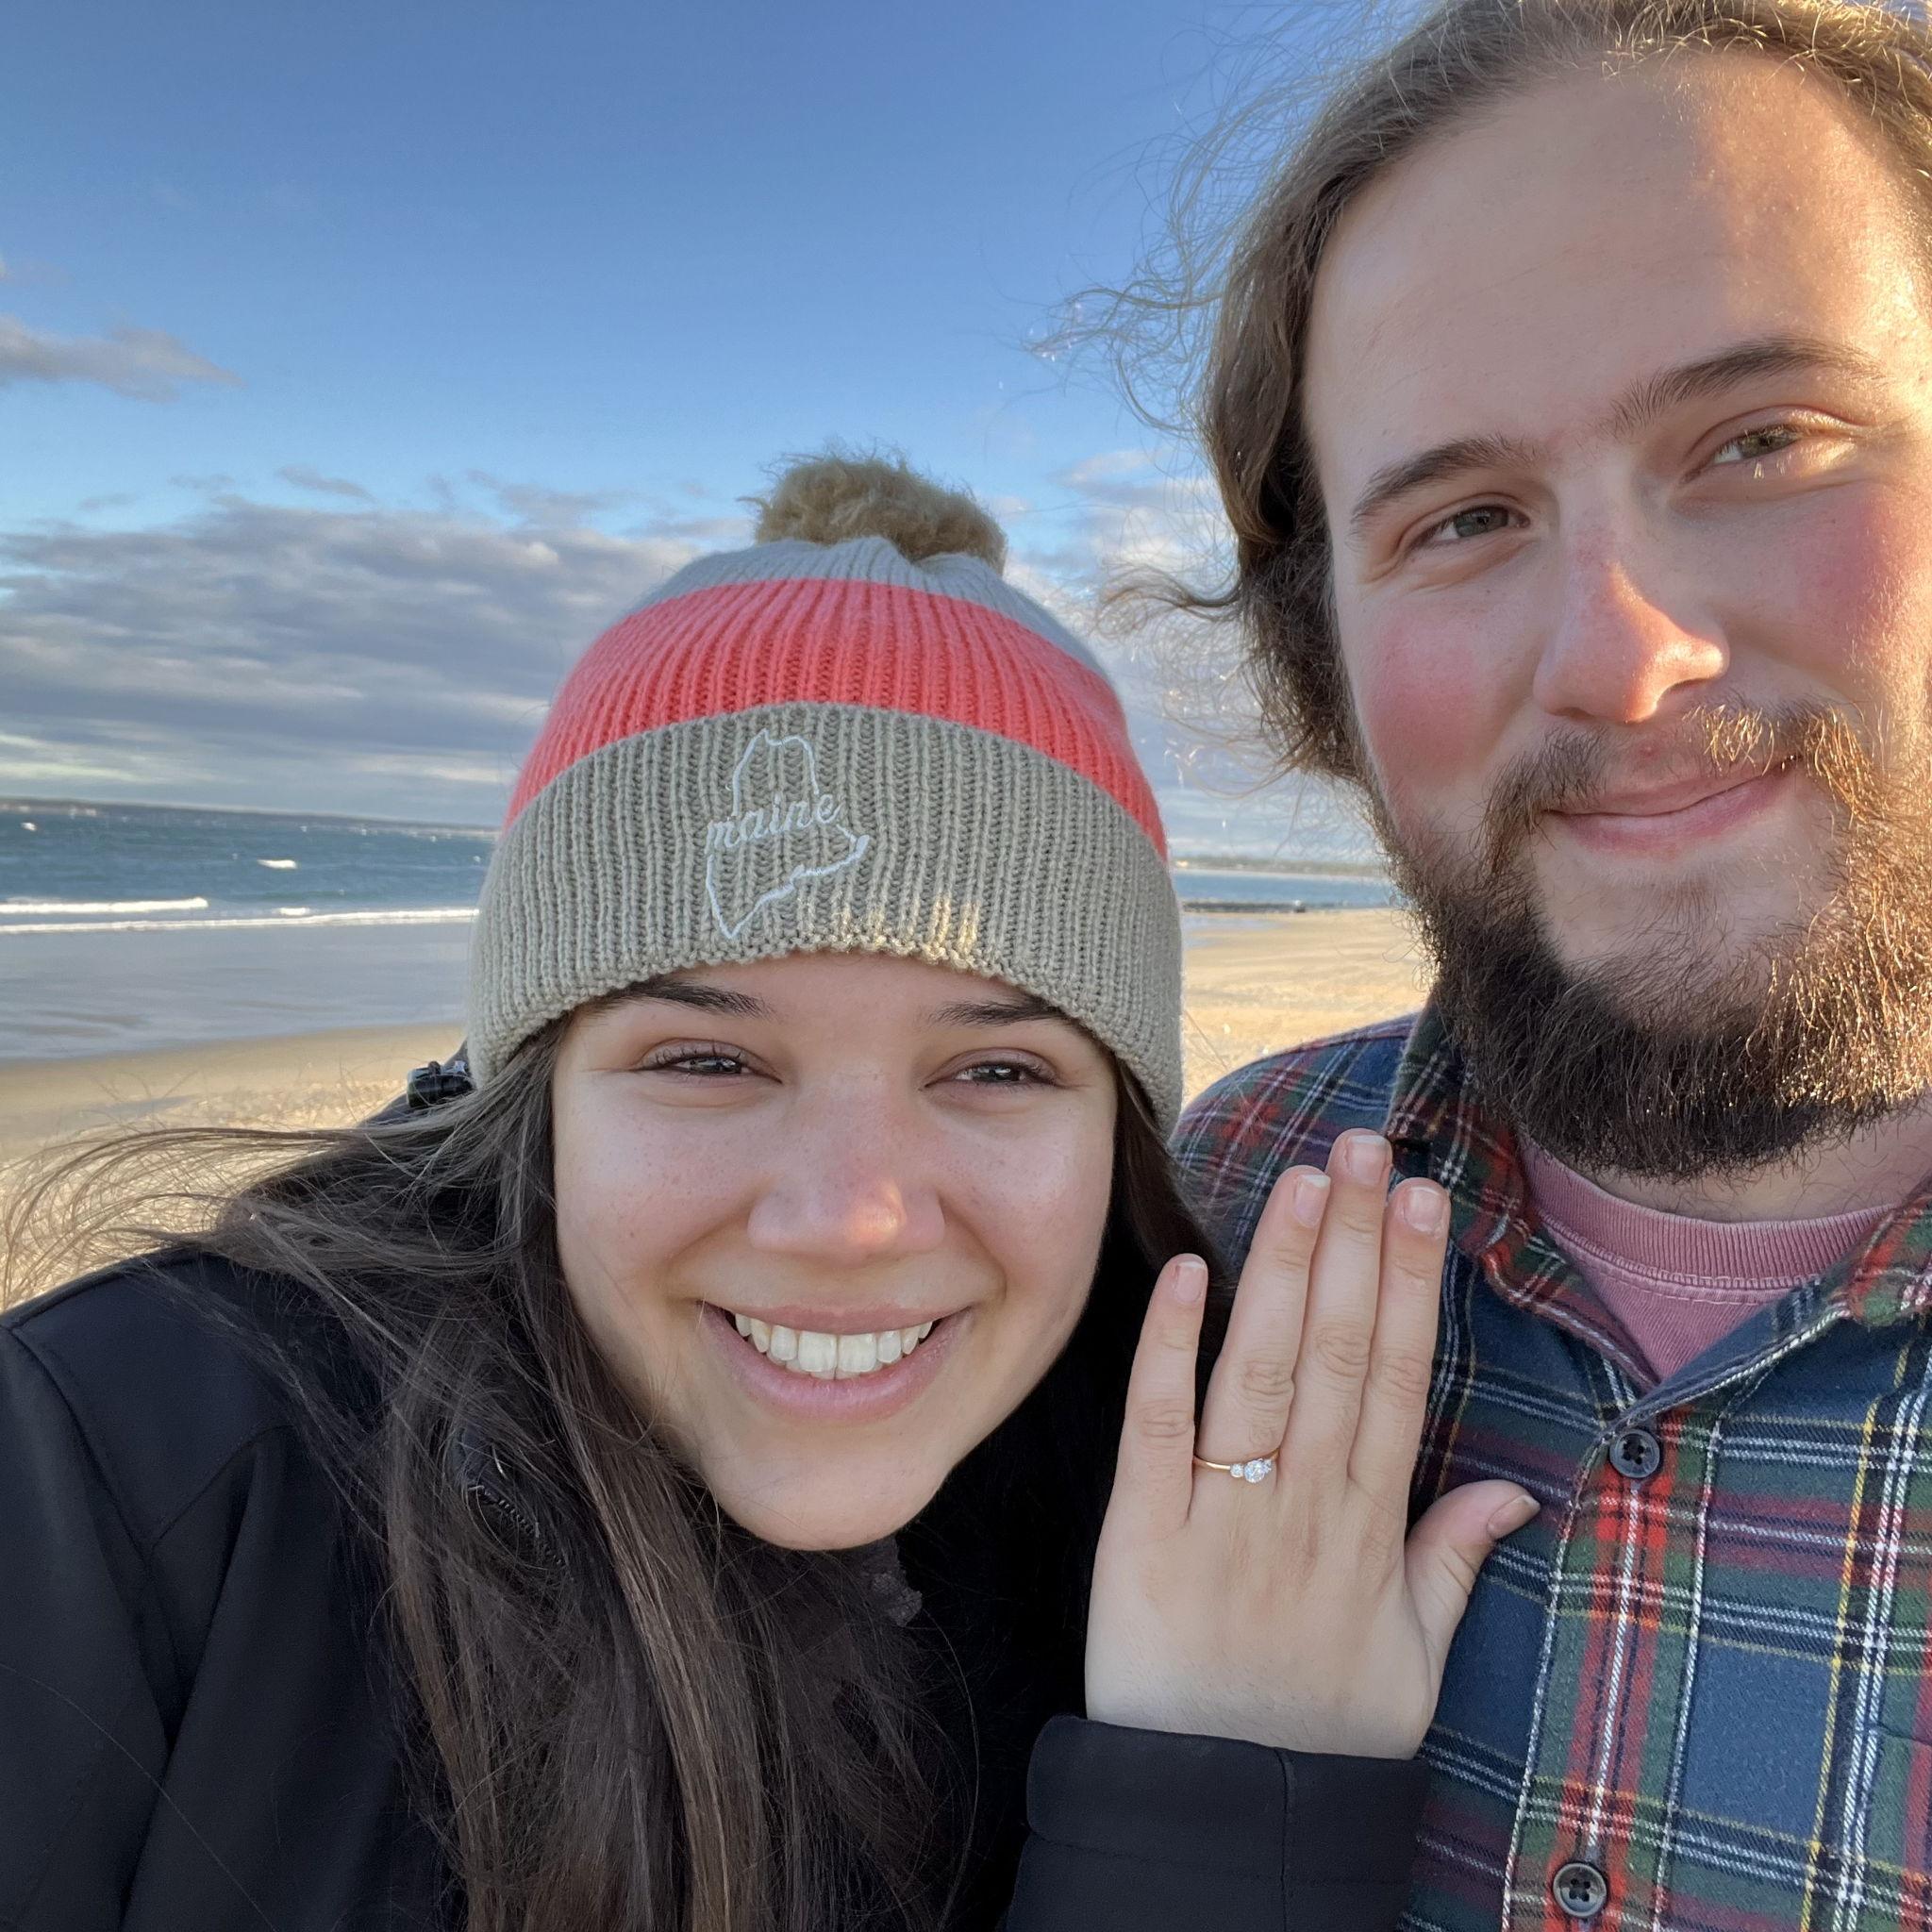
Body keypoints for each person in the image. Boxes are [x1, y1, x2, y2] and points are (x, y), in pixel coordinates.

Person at [0, 454, 1534, 1932]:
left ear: (1116, 1133)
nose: (851, 1217)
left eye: (995, 1070)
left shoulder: (1173, 1519)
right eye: (706, 1061)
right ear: (535, 1095)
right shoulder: (118, 1479)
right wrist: (1219, 1838)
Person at [1158, 0, 1932, 1925]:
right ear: (1324, 663)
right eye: (1467, 518)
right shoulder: (1215, 1214)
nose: (1623, 655)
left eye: (1764, 441)